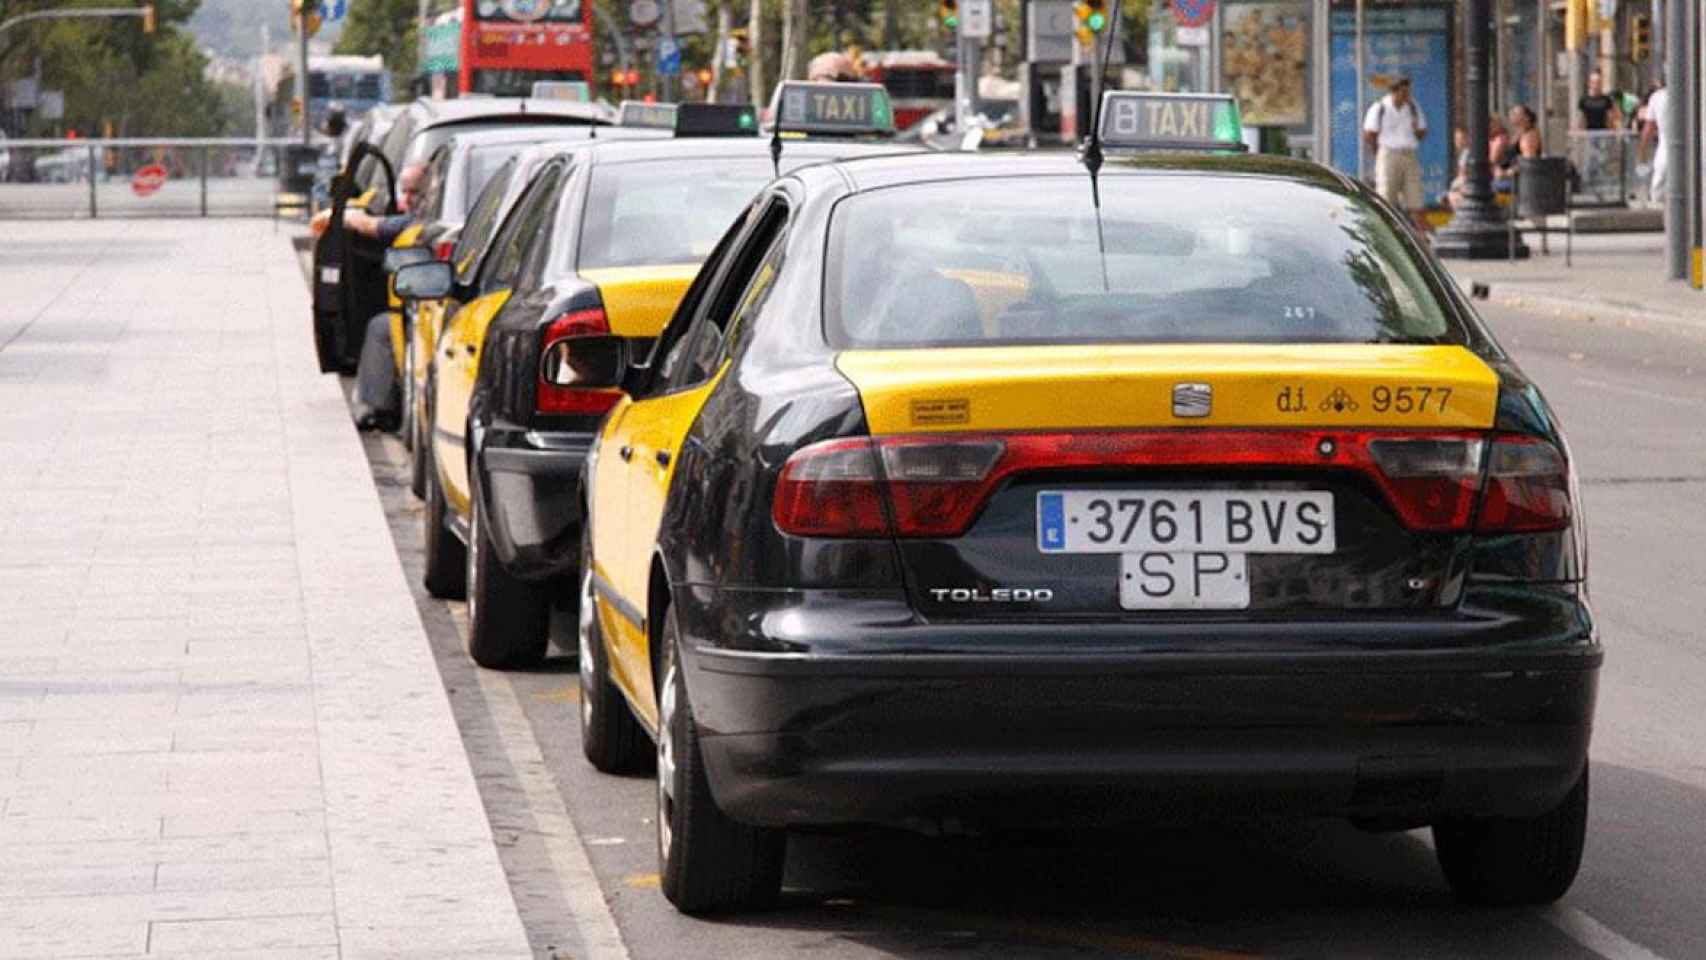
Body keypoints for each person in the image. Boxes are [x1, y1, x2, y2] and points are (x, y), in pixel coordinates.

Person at [311, 163, 428, 430]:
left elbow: (373, 226)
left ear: (431, 192)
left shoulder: (421, 223)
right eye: (405, 192)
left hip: (427, 317)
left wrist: (338, 214)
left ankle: (374, 407)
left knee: (380, 327)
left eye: (415, 193)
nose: (408, 199)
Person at [1362, 74, 1428, 227]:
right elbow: (1369, 133)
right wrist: (1378, 151)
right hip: (1389, 152)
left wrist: (1415, 126)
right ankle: (1384, 228)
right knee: (1386, 195)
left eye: (1408, 92)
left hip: (1408, 153)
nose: (1407, 95)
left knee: (1415, 196)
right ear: (1395, 91)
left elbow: (1422, 131)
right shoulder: (1380, 107)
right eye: (1404, 92)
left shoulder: (1412, 107)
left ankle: (1421, 233)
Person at [1492, 105, 1542, 193]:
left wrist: (1506, 173)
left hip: (1517, 183)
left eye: (1515, 113)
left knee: (1481, 190)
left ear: (1527, 118)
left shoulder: (1529, 137)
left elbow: (1528, 162)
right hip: (1506, 179)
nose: (1511, 114)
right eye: (1511, 112)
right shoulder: (1518, 134)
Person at [1640, 81, 1669, 202]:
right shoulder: (1657, 97)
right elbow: (1649, 126)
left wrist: (1642, 150)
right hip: (1666, 144)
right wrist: (1643, 150)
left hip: (1666, 147)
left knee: (1660, 181)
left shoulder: (1657, 97)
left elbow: (1649, 127)